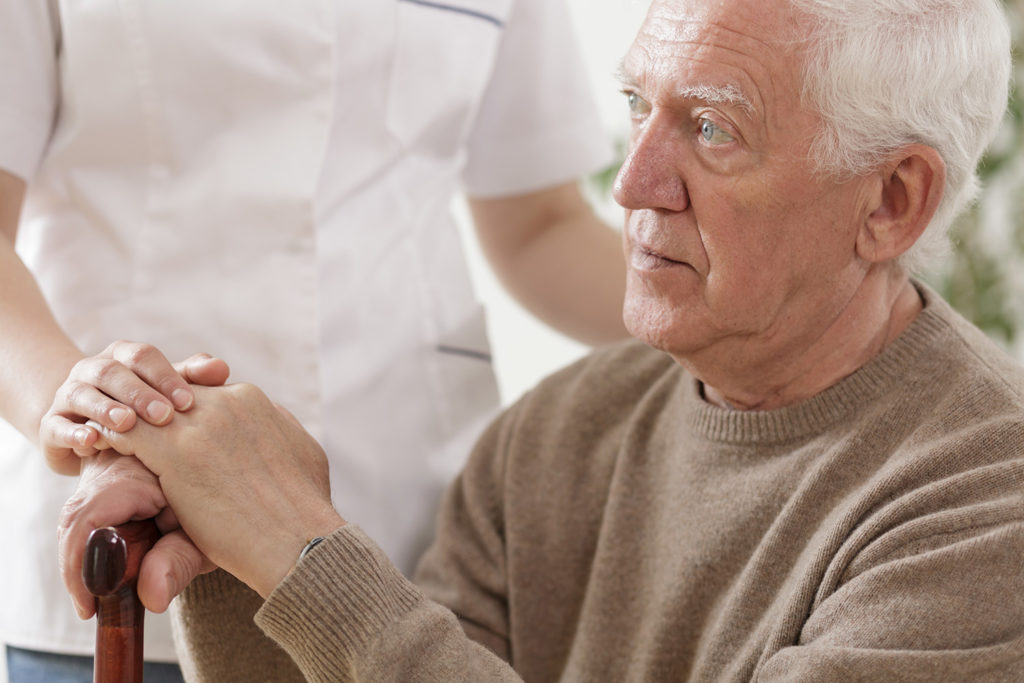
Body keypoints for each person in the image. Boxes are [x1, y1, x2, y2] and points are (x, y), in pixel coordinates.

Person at [55, 0, 1024, 679]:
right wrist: (233, 531)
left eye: (714, 129)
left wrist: (305, 549)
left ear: (892, 202)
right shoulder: (557, 433)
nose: (632, 182)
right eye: (640, 106)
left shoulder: (988, 499)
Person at [0, 1, 627, 680]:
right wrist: (85, 413)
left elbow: (539, 224)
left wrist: (745, 304)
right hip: (127, 528)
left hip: (407, 530)